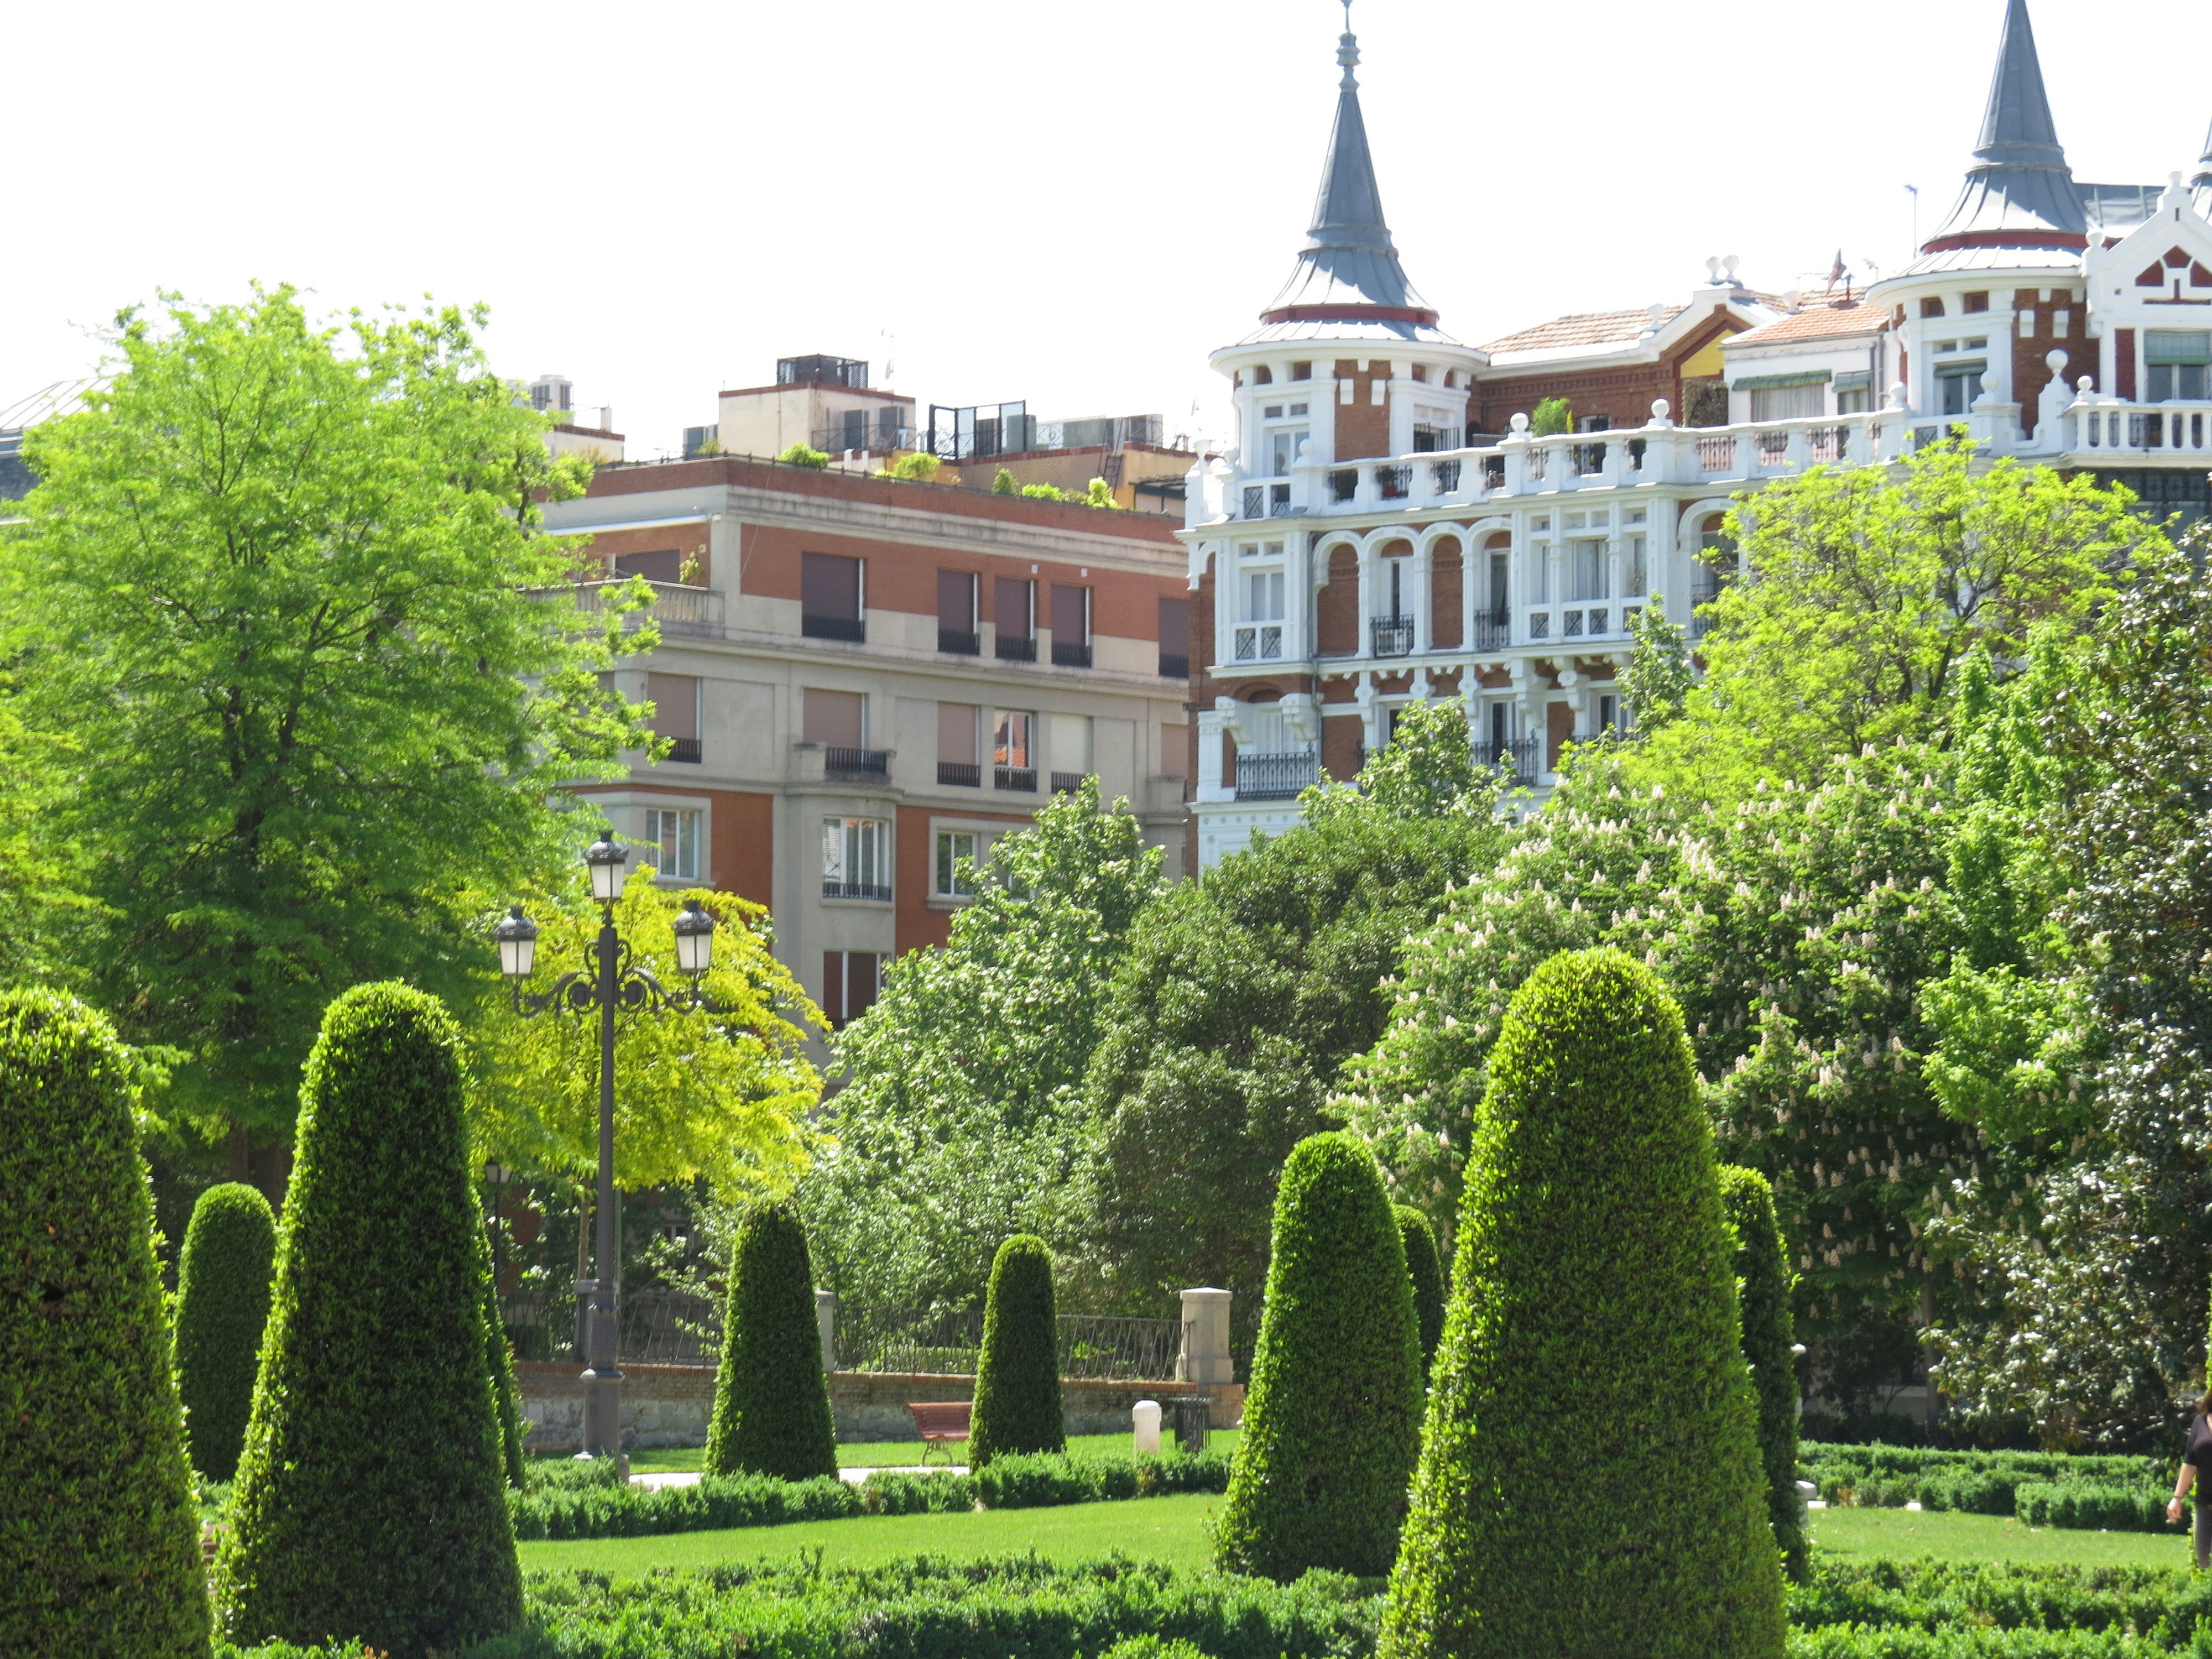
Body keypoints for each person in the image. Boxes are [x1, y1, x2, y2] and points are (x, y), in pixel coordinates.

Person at [2167, 1391, 2212, 1568]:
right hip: (2204, 1505)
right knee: (2204, 1561)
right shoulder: (2200, 1422)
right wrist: (2177, 1498)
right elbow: (2190, 1463)